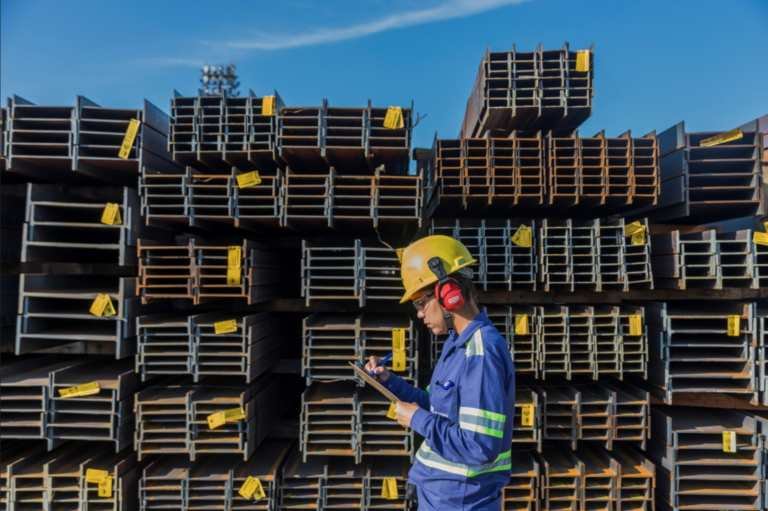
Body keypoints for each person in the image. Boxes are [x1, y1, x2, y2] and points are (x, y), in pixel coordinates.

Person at [365, 234, 516, 511]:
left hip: (461, 500)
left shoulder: (480, 352)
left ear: (449, 294)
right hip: (441, 493)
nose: (420, 314)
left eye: (421, 303)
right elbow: (437, 409)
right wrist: (390, 381)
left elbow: (478, 447)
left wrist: (417, 420)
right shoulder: (455, 345)